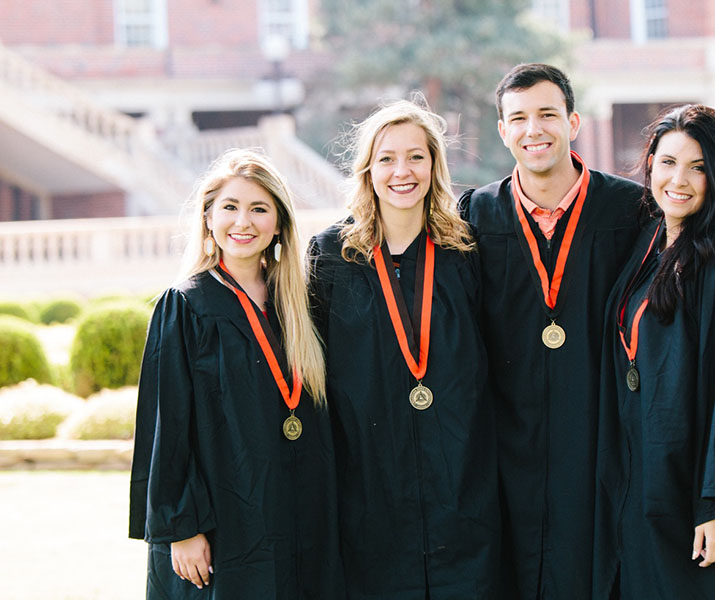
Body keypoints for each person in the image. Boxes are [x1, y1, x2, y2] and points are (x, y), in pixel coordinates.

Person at [458, 63, 643, 598]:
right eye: (518, 118)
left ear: (574, 121)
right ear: (502, 130)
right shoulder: (475, 214)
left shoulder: (628, 210)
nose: (533, 130)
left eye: (546, 115)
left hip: (597, 432)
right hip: (505, 435)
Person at [129, 148, 344, 599]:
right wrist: (181, 528)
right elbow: (166, 429)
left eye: (259, 209)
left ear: (280, 223)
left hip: (300, 508)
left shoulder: (300, 306)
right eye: (230, 207)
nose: (243, 222)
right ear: (208, 217)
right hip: (223, 519)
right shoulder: (185, 306)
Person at [307, 98, 500, 599]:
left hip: (460, 475)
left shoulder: (466, 250)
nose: (402, 171)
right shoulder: (331, 256)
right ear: (367, 168)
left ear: (435, 165)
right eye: (387, 158)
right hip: (370, 480)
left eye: (416, 156)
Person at [593, 104, 715, 599]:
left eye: (698, 167)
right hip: (642, 477)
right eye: (667, 163)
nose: (678, 180)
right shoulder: (649, 249)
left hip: (693, 487)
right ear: (650, 166)